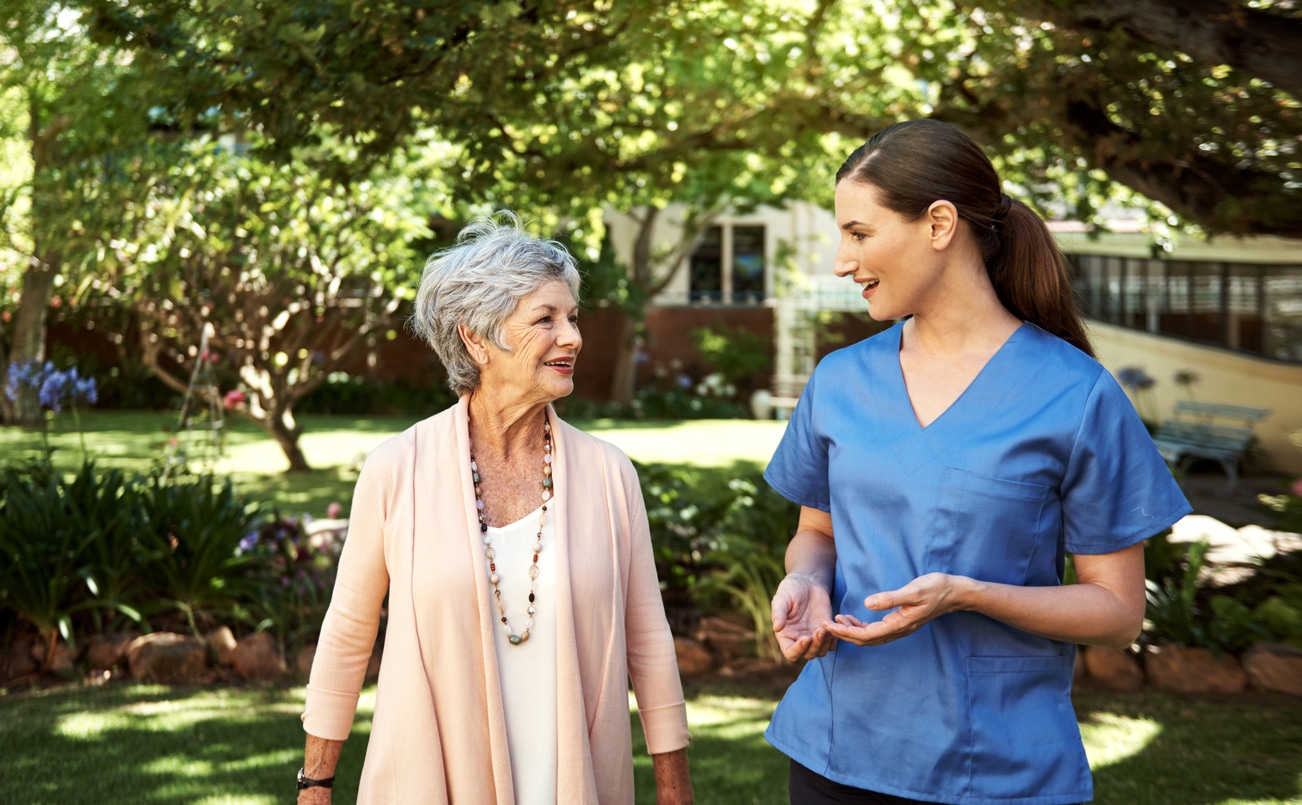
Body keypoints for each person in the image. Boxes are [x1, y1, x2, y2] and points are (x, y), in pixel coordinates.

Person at [764, 119, 1191, 805]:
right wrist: (808, 580)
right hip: (833, 754)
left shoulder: (1076, 395)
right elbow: (817, 532)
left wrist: (967, 594)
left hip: (998, 771)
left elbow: (1117, 612)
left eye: (859, 232)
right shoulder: (839, 381)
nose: (842, 261)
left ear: (939, 223)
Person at [297, 212, 693, 804]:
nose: (573, 337)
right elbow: (348, 634)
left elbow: (648, 639)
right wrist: (315, 784)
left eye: (573, 317)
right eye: (545, 319)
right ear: (476, 338)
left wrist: (674, 789)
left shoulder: (610, 475)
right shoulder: (396, 470)